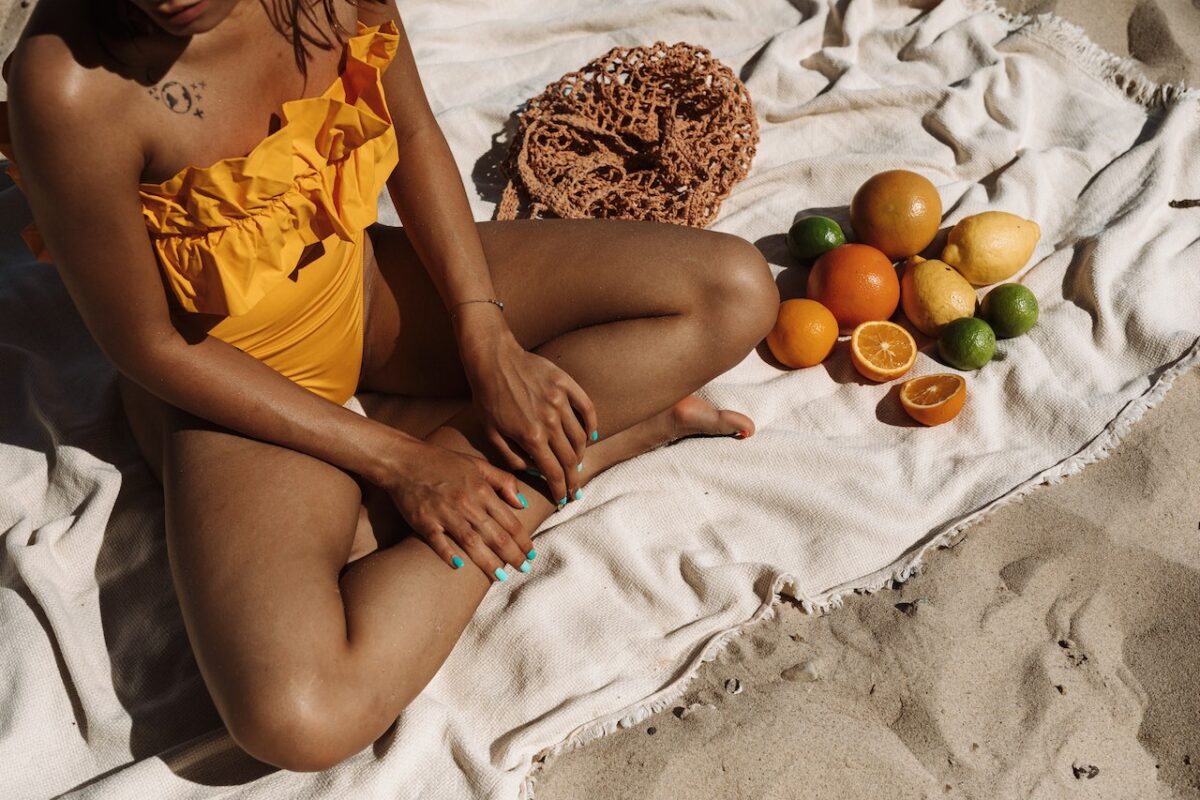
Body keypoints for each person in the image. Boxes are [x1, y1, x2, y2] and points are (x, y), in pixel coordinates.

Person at [0, 0, 778, 772]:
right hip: (234, 386)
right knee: (296, 720)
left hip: (367, 290)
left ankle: (465, 463)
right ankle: (561, 467)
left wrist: (486, 336)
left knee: (733, 290)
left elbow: (410, 132)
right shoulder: (67, 83)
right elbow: (151, 345)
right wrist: (402, 465)